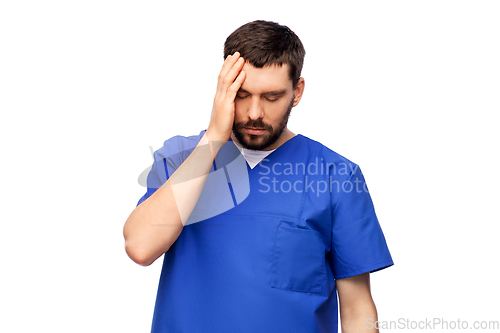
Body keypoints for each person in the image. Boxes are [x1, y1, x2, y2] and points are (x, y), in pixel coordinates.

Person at [124, 20, 393, 333]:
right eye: (242, 94)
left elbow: (357, 307)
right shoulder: (181, 159)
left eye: (271, 96)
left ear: (297, 92)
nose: (254, 112)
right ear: (224, 90)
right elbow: (141, 247)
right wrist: (213, 139)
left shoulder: (336, 176)